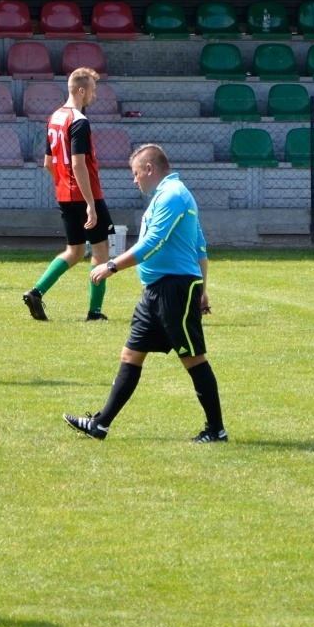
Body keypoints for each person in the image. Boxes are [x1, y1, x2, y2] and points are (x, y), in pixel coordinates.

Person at [64, 144, 226, 442]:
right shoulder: (166, 196)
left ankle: (216, 430)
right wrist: (203, 289)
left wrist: (111, 265)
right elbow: (199, 244)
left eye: (135, 173)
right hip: (156, 291)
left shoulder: (173, 195)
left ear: (149, 169)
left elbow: (154, 242)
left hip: (174, 288)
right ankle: (100, 425)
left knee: (193, 358)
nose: (134, 179)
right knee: (131, 355)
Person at [24, 68, 116, 322]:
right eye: (93, 91)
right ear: (81, 90)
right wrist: (90, 203)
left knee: (74, 251)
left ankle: (36, 292)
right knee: (100, 250)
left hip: (65, 195)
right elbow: (78, 164)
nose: (94, 96)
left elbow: (47, 163)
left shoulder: (54, 117)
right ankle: (94, 312)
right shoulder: (79, 120)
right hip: (86, 194)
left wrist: (64, 184)